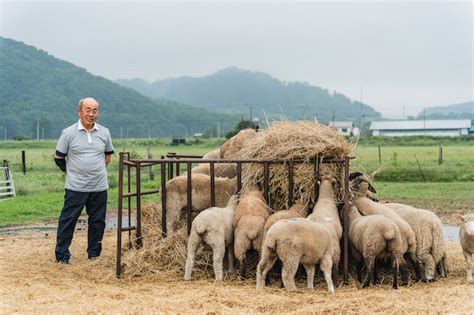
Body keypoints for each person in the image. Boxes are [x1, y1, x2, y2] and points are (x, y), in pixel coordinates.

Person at [54, 97, 114, 264]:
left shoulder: (104, 132)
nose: (91, 114)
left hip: (99, 186)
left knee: (97, 221)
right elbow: (59, 157)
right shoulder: (68, 133)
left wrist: (97, 170)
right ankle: (62, 256)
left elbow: (107, 155)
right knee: (68, 220)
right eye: (87, 110)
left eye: (95, 110)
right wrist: (69, 172)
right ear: (79, 111)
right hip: (76, 187)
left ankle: (94, 254)